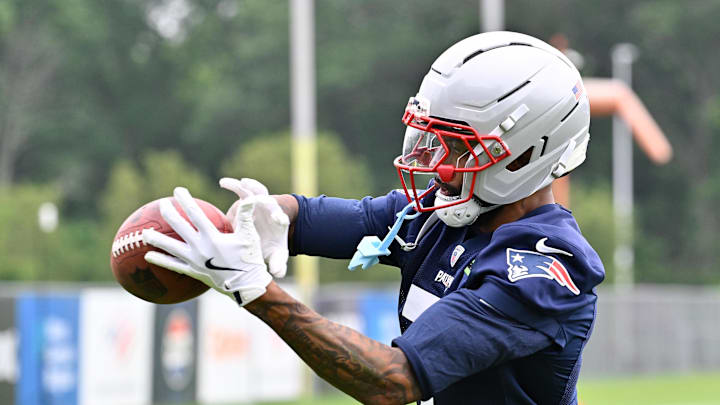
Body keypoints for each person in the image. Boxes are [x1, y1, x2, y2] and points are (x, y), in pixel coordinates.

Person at [142, 31, 605, 405]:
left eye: (459, 146)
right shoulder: (447, 214)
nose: (435, 161)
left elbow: (392, 381)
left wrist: (256, 292)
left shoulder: (545, 270)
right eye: (434, 138)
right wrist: (269, 214)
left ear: (525, 156)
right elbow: (338, 218)